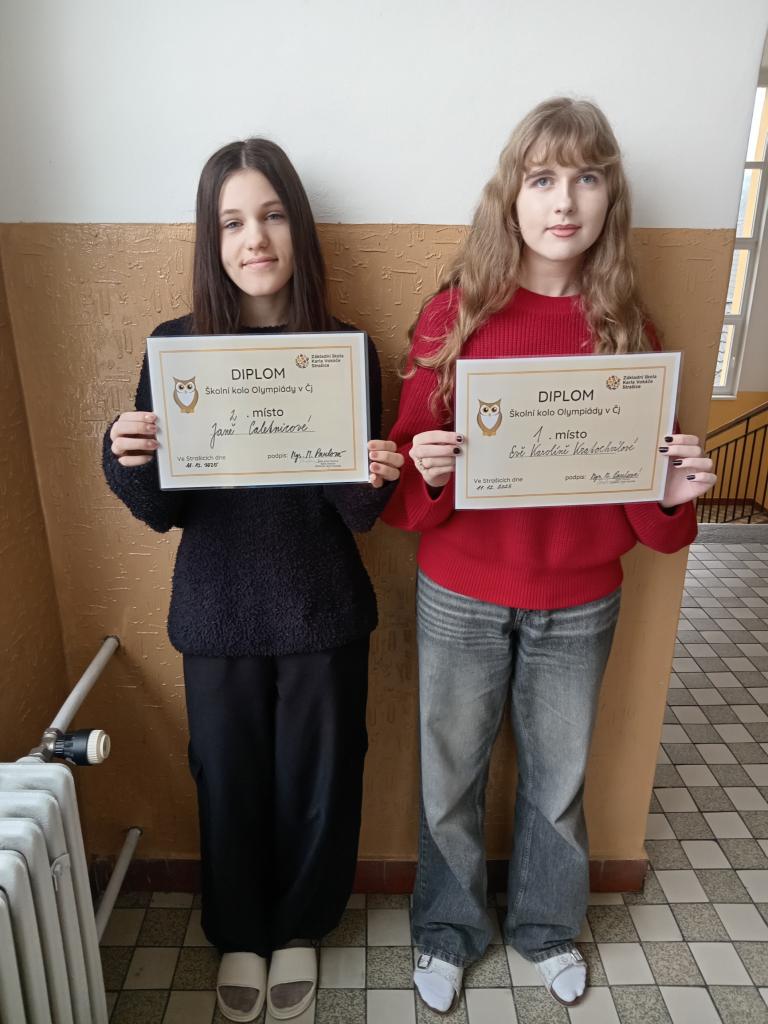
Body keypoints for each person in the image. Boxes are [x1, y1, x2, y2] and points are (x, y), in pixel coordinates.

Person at [381, 97, 715, 1012]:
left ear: (611, 197)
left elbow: (654, 523)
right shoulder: (452, 318)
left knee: (559, 781)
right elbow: (403, 496)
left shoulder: (631, 335)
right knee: (449, 776)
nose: (564, 200)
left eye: (586, 177)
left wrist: (673, 493)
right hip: (460, 591)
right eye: (542, 179)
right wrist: (428, 466)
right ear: (511, 195)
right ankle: (447, 930)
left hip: (581, 598)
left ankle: (545, 925)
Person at [103, 138, 403, 1024]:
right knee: (227, 777)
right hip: (218, 607)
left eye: (271, 215)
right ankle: (238, 927)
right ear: (212, 239)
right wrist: (124, 458)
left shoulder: (346, 349)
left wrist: (377, 474)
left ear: (298, 227)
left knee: (323, 778)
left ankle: (302, 923)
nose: (255, 238)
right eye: (232, 222)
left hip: (322, 606)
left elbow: (358, 513)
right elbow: (163, 509)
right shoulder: (175, 349)